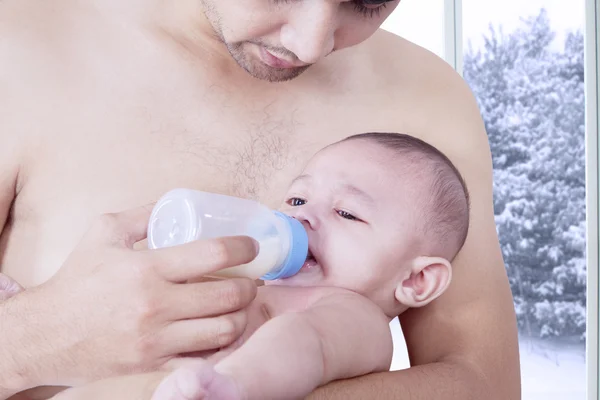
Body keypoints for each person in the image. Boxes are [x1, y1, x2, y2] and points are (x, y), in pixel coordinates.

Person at [0, 0, 521, 399]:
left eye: (368, 1)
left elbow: (481, 385)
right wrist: (34, 339)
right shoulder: (22, 47)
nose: (311, 43)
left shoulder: (428, 98)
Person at [1, 132, 471, 400]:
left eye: (347, 213)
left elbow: (308, 345)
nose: (302, 216)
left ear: (416, 279)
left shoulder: (352, 316)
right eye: (297, 197)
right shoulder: (259, 283)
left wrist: (233, 385)